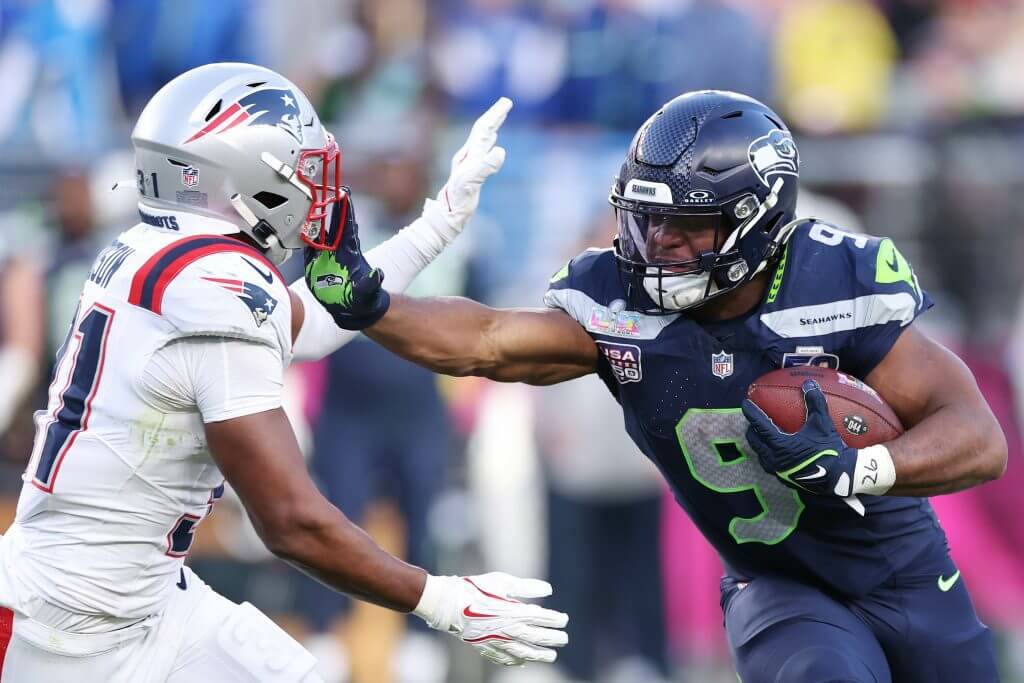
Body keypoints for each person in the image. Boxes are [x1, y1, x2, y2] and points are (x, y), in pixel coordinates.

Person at [305, 90, 1007, 682]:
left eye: (686, 224)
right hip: (779, 585)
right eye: (648, 218)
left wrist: (861, 467)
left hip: (907, 578)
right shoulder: (616, 303)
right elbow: (487, 341)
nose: (656, 242)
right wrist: (372, 305)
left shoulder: (833, 278)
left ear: (757, 222)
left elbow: (979, 438)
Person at [0, 62, 567, 681]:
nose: (314, 187)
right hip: (69, 633)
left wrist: (440, 221)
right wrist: (439, 600)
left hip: (135, 600)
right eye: (298, 167)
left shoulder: (161, 248)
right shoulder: (214, 284)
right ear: (238, 174)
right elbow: (290, 522)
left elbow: (310, 321)